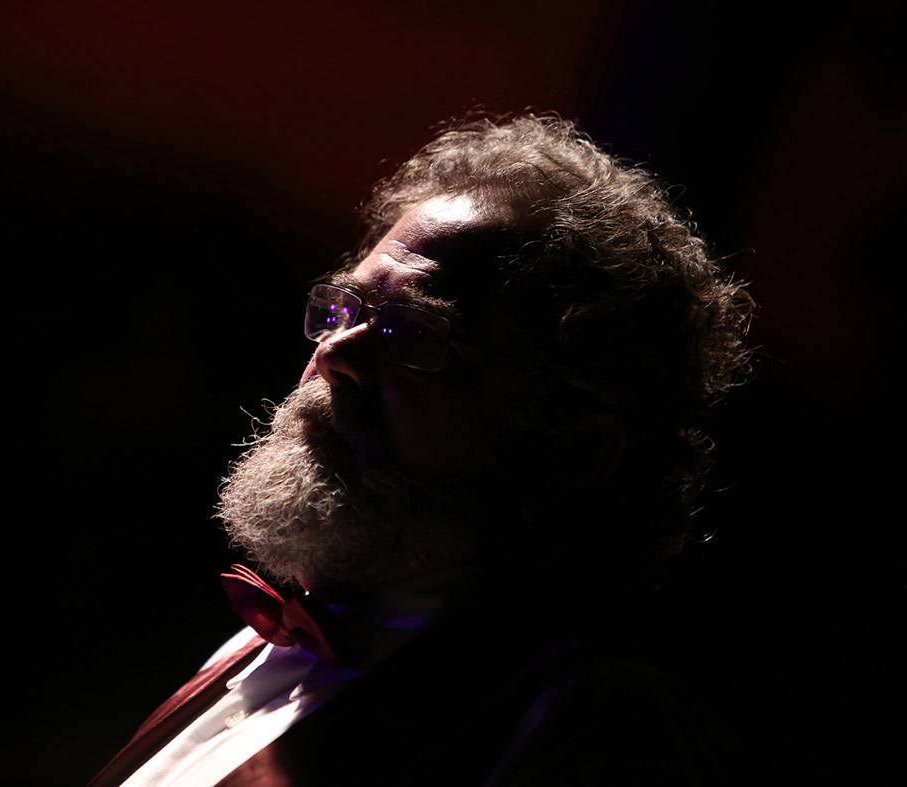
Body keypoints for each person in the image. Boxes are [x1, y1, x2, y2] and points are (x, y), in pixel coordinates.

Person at [87, 113, 755, 786]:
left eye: (414, 334)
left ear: (572, 450)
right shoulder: (263, 642)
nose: (335, 353)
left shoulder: (589, 732)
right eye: (346, 309)